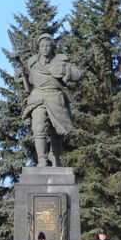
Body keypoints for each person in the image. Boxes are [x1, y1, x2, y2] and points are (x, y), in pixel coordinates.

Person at [18, 32, 85, 167]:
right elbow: (29, 81)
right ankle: (42, 159)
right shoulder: (32, 63)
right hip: (39, 97)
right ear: (39, 47)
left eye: (48, 45)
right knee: (39, 126)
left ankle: (55, 157)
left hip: (56, 97)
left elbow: (80, 73)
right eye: (42, 45)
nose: (45, 48)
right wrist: (20, 75)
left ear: (52, 46)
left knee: (57, 131)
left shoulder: (61, 61)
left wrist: (66, 72)